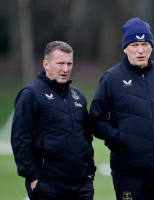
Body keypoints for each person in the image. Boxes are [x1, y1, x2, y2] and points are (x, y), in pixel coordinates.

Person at [89, 18, 154, 200]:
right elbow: (96, 120)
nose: (140, 50)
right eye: (135, 44)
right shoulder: (112, 78)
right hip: (129, 174)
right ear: (125, 48)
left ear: (151, 46)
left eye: (145, 44)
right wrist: (120, 139)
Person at [11, 41, 96, 200]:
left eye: (69, 63)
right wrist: (33, 178)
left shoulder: (78, 96)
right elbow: (20, 139)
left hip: (81, 186)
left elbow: (86, 138)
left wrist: (90, 174)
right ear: (46, 64)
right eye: (60, 63)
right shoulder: (31, 94)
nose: (66, 69)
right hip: (48, 185)